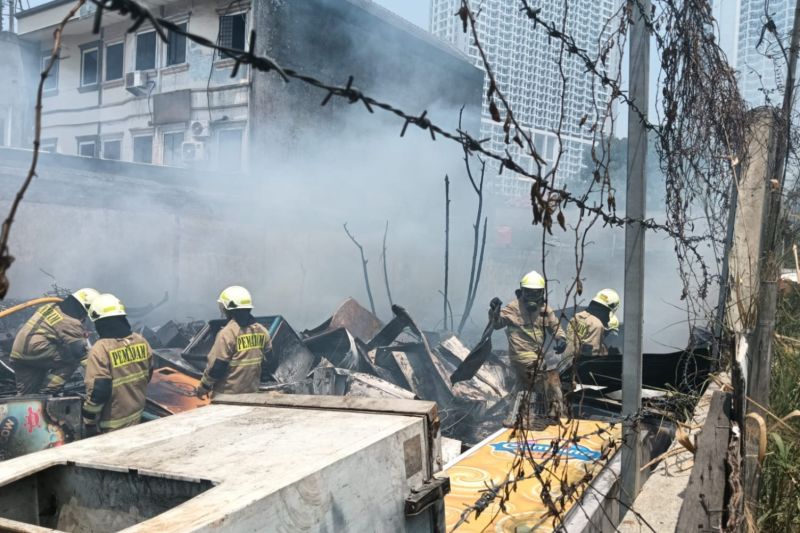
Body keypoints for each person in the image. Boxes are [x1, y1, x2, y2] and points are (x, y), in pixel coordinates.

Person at [490, 270, 567, 418]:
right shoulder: (514, 307)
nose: (531, 297)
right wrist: (494, 311)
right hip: (520, 354)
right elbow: (497, 324)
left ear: (542, 293)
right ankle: (550, 416)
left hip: (536, 354)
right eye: (528, 293)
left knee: (522, 386)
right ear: (521, 291)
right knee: (545, 383)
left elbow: (555, 327)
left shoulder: (544, 310)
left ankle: (514, 417)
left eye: (535, 293)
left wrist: (561, 339)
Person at [82, 294, 152, 435]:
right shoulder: (141, 341)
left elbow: (99, 391)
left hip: (111, 425)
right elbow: (148, 374)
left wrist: (89, 422)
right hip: (137, 415)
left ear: (100, 322)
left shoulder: (100, 348)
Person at [10, 288, 99, 395]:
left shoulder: (51, 306)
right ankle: (46, 393)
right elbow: (81, 354)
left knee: (26, 397)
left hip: (19, 354)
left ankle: (29, 406)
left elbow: (53, 330)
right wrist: (98, 377)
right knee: (73, 359)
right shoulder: (70, 322)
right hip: (37, 351)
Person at [196, 286, 271, 398]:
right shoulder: (262, 331)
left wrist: (203, 387)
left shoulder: (227, 334)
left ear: (228, 309)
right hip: (252, 395)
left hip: (227, 397)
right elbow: (268, 361)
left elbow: (217, 367)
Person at [565, 288, 621, 360]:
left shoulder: (576, 317)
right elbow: (591, 357)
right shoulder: (597, 325)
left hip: (564, 365)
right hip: (576, 368)